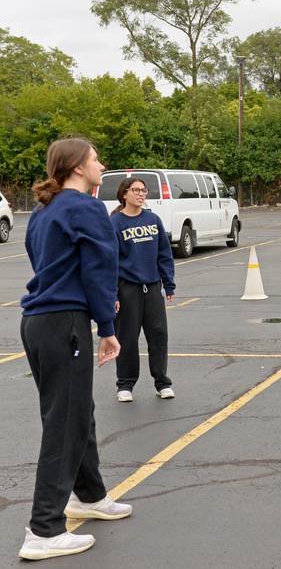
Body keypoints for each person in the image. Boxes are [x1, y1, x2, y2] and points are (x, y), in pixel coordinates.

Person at [18, 137, 132, 561]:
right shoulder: (87, 208)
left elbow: (41, 261)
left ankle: (89, 495)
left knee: (76, 410)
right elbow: (101, 270)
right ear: (79, 168)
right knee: (65, 421)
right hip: (64, 324)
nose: (102, 163)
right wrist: (107, 327)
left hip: (37, 323)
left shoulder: (44, 210)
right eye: (96, 159)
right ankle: (43, 529)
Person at [110, 176, 176, 402]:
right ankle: (125, 385)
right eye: (136, 190)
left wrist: (168, 283)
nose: (140, 194)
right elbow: (110, 262)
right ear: (124, 194)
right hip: (127, 288)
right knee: (127, 338)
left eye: (143, 191)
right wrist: (113, 293)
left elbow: (164, 255)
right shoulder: (116, 223)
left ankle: (162, 382)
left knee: (158, 335)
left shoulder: (153, 220)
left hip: (152, 286)